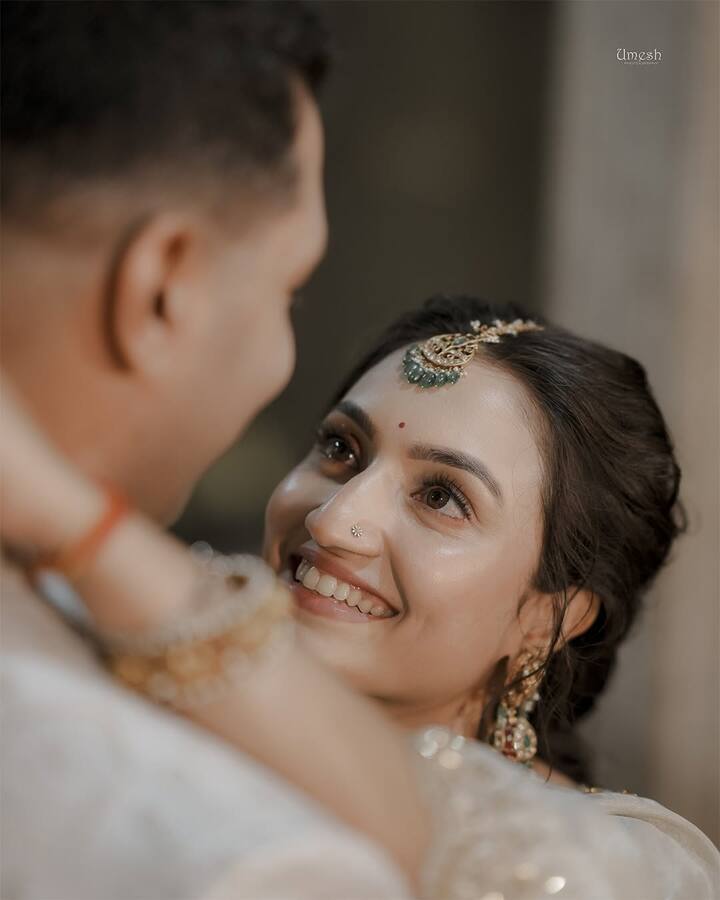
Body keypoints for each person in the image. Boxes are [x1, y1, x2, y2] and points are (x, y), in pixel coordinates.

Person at [3, 298, 718, 898]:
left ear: (547, 617)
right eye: (341, 449)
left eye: (442, 497)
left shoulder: (634, 871)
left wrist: (81, 524)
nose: (332, 520)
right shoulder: (116, 678)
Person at [0, 3, 416, 898]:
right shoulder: (240, 852)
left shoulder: (95, 595)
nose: (341, 522)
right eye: (290, 289)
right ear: (164, 286)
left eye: (444, 498)